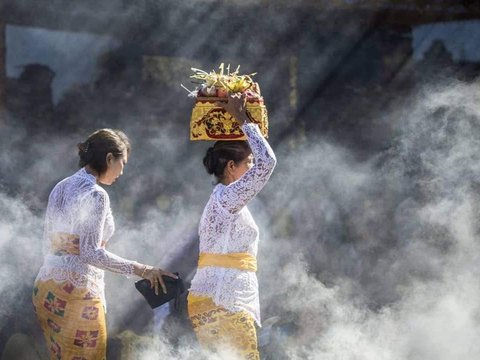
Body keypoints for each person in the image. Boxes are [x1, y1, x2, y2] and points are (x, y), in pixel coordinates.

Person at [32, 128, 177, 360]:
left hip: (46, 289)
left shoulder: (60, 186)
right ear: (110, 158)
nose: (122, 171)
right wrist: (143, 270)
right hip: (76, 292)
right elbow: (91, 254)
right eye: (123, 163)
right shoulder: (96, 194)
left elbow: (47, 243)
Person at [188, 93, 277, 359]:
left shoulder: (225, 199)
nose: (252, 168)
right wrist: (241, 118)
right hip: (223, 298)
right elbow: (268, 164)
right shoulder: (226, 196)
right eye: (248, 163)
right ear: (231, 166)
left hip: (215, 297)